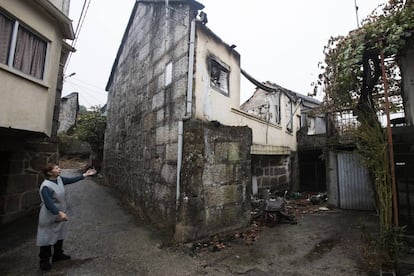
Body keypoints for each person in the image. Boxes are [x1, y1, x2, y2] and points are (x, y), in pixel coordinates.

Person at [36, 163, 96, 271]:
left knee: (60, 233)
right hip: (49, 214)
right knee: (47, 236)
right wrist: (58, 212)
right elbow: (48, 203)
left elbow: (70, 180)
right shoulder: (46, 186)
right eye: (56, 168)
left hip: (60, 212)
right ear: (50, 172)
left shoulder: (59, 179)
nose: (59, 169)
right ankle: (44, 261)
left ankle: (58, 255)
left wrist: (85, 175)